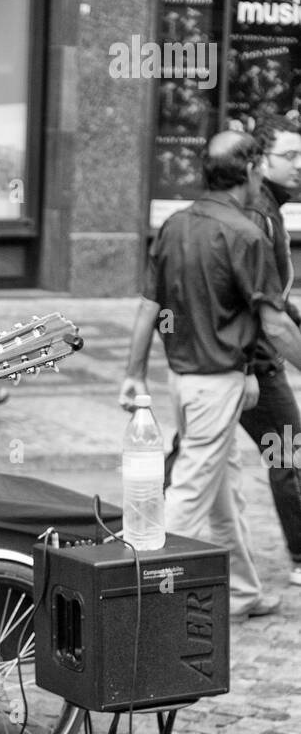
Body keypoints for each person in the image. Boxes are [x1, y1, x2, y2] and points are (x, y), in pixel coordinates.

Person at [121, 130, 301, 618]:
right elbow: (276, 324)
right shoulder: (246, 233)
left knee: (224, 493)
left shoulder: (176, 224)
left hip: (184, 381)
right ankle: (135, 603)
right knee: (188, 497)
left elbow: (148, 306)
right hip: (218, 382)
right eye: (261, 167)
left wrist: (134, 373)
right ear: (248, 172)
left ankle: (242, 592)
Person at [242, 116, 301, 589]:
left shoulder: (268, 207)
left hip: (234, 362)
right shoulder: (259, 214)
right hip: (255, 363)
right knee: (290, 455)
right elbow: (270, 317)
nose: (299, 166)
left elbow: (277, 298)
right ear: (260, 160)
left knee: (197, 458)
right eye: (290, 156)